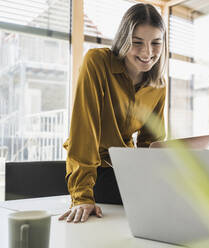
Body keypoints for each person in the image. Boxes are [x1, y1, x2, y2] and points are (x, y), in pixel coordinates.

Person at [58, 3, 167, 223]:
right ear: (124, 39)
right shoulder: (97, 63)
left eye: (156, 43)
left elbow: (151, 143)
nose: (148, 52)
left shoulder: (159, 86)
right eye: (137, 43)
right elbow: (84, 132)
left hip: (127, 169)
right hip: (95, 169)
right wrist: (82, 197)